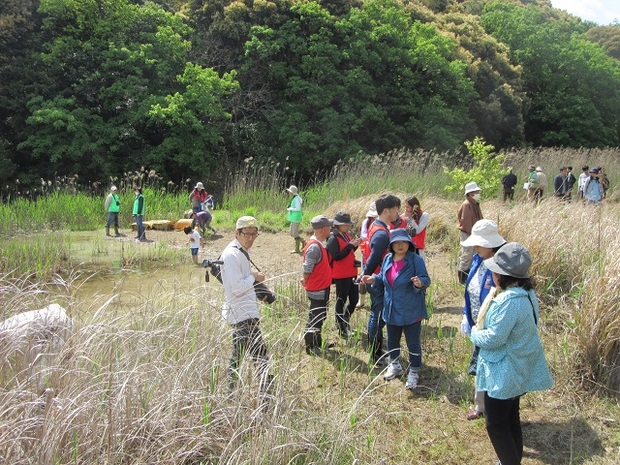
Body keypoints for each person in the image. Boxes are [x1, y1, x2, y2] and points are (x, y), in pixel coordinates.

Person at [470, 242, 554, 465]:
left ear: (501, 275)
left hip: (504, 372)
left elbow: (494, 338)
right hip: (519, 366)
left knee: (496, 425)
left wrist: (474, 332)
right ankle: (512, 459)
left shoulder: (508, 301)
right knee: (511, 418)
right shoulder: (527, 293)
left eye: (494, 271)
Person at [361, 229, 430, 390]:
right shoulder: (387, 259)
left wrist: (420, 283)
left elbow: (426, 279)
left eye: (403, 242)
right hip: (391, 307)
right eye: (396, 242)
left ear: (409, 244)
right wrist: (373, 279)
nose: (400, 245)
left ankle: (414, 371)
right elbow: (383, 278)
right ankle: (395, 364)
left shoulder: (415, 260)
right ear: (391, 245)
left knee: (413, 343)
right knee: (392, 340)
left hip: (410, 309)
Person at [459, 220, 506, 421]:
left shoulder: (501, 266)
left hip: (493, 328)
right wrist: (465, 314)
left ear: (490, 244)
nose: (475, 248)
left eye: (478, 244)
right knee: (480, 366)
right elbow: (471, 290)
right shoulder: (478, 260)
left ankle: (496, 408)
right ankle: (480, 405)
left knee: (492, 367)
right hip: (477, 324)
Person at [220, 216, 272, 393]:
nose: (250, 238)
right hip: (241, 314)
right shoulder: (231, 255)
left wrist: (255, 284)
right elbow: (236, 288)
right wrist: (254, 277)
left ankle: (231, 391)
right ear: (236, 233)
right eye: (246, 234)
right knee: (260, 356)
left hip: (246, 313)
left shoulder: (241, 250)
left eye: (254, 234)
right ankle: (266, 394)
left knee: (239, 356)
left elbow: (241, 278)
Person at [363, 194, 401, 366]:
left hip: (375, 278)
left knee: (377, 314)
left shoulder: (377, 226)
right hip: (377, 280)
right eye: (396, 209)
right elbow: (374, 258)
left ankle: (377, 350)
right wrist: (365, 276)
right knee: (377, 316)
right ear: (386, 211)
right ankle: (375, 354)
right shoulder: (381, 233)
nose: (398, 212)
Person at [302, 215, 334, 356]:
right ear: (323, 229)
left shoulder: (319, 243)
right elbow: (307, 268)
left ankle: (318, 343)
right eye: (329, 227)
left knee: (320, 316)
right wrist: (305, 280)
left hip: (322, 286)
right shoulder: (315, 247)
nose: (331, 229)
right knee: (315, 317)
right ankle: (311, 347)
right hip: (317, 288)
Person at [326, 211, 361, 338]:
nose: (348, 226)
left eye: (348, 224)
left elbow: (348, 251)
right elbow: (336, 256)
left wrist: (354, 245)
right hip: (341, 275)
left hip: (351, 272)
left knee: (354, 300)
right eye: (345, 224)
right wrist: (349, 246)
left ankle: (345, 320)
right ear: (338, 225)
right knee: (341, 301)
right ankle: (341, 327)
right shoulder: (332, 238)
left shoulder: (346, 234)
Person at [457, 182, 483, 285]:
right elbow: (466, 222)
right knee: (467, 255)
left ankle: (469, 277)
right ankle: (462, 280)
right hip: (468, 234)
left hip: (473, 234)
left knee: (473, 255)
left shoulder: (474, 203)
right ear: (470, 193)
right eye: (476, 192)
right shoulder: (467, 204)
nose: (478, 193)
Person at [357, 202, 378, 308]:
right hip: (365, 251)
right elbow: (363, 235)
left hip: (377, 252)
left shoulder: (384, 222)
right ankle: (361, 300)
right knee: (364, 274)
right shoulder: (366, 222)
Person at [286, 185, 305, 254]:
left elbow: (298, 209)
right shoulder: (296, 198)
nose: (289, 193)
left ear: (292, 192)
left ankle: (300, 246)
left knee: (294, 233)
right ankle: (302, 243)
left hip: (296, 218)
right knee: (292, 233)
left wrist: (290, 209)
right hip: (294, 218)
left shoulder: (296, 198)